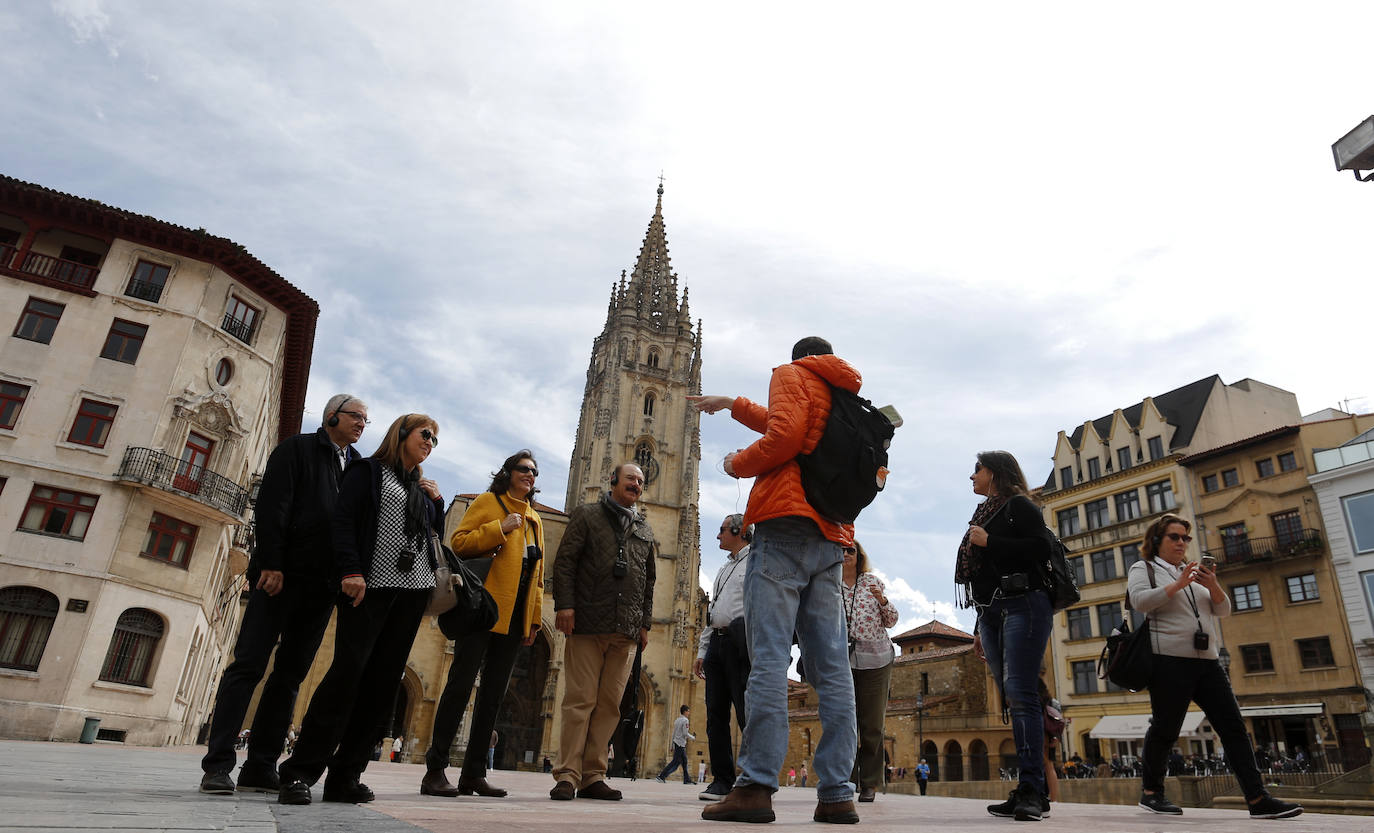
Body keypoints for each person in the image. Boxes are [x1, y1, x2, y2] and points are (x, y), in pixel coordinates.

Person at [691, 336, 862, 825]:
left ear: (798, 358)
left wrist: (737, 464)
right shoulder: (843, 393)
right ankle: (836, 793)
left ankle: (756, 787)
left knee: (768, 658)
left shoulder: (790, 374)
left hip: (785, 524)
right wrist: (734, 405)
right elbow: (797, 430)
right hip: (833, 535)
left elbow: (784, 436)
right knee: (831, 667)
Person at [199, 394, 368, 796]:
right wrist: (271, 563)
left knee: (289, 677)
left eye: (366, 419)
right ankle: (218, 765)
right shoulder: (297, 449)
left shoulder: (357, 467)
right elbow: (273, 506)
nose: (362, 424)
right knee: (248, 666)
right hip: (280, 575)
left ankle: (260, 766)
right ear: (332, 416)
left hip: (322, 586)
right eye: (355, 416)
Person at [277, 414, 445, 805]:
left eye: (435, 441)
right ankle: (299, 772)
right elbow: (343, 522)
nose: (430, 444)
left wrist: (435, 500)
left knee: (382, 688)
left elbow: (428, 533)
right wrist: (351, 569)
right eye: (426, 435)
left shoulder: (419, 488)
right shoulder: (366, 471)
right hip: (370, 587)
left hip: (412, 594)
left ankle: (346, 776)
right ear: (401, 433)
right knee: (345, 678)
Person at [1129, 514, 1302, 820]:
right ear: (1157, 540)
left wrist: (1213, 584)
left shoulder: (1193, 572)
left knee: (1234, 728)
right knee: (1166, 729)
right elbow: (1140, 601)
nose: (1182, 542)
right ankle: (1152, 793)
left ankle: (1257, 797)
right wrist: (1178, 585)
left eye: (1186, 538)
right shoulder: (1144, 568)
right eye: (1175, 537)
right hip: (1169, 659)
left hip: (1207, 661)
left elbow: (1222, 609)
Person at [421, 451, 546, 799]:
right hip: (481, 610)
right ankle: (435, 770)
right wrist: (499, 529)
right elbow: (459, 543)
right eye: (524, 469)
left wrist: (533, 620)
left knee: (493, 697)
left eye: (534, 472)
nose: (530, 476)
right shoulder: (489, 503)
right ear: (507, 473)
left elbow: (537, 577)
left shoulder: (535, 519)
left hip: (513, 618)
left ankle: (473, 774)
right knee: (460, 688)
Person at [549, 462, 656, 802]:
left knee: (610, 705)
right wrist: (565, 605)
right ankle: (567, 774)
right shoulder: (587, 515)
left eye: (640, 481)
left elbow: (648, 579)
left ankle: (594, 774)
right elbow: (565, 561)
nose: (635, 485)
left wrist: (644, 622)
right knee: (580, 699)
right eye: (630, 479)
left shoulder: (644, 528)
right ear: (613, 481)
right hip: (588, 621)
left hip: (625, 628)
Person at [956, 450, 1054, 821]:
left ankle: (1031, 788)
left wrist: (989, 543)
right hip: (993, 613)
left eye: (977, 469)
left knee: (1021, 693)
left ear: (995, 473)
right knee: (1013, 697)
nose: (972, 477)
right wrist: (979, 628)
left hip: (1024, 604)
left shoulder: (1020, 506)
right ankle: (1030, 790)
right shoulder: (984, 515)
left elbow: (1041, 548)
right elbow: (984, 578)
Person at [694, 513, 753, 802]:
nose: (717, 536)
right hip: (717, 644)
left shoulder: (755, 562)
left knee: (745, 712)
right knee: (715, 714)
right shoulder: (724, 568)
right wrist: (703, 651)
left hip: (739, 645)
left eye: (721, 530)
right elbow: (713, 612)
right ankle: (721, 780)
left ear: (739, 531)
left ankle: (755, 777)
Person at [842, 540, 898, 803]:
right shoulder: (828, 584)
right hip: (843, 661)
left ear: (859, 555)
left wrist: (882, 599)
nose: (845, 554)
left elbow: (891, 620)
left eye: (850, 550)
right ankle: (846, 780)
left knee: (872, 724)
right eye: (840, 550)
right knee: (846, 723)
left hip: (877, 661)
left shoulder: (871, 582)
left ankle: (870, 784)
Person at [655, 705, 697, 783]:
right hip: (681, 744)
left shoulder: (677, 720)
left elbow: (673, 733)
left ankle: (687, 780)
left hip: (677, 743)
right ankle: (661, 776)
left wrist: (672, 745)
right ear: (685, 711)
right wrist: (693, 737)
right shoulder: (685, 721)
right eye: (688, 711)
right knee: (675, 762)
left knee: (684, 762)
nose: (689, 713)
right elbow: (685, 733)